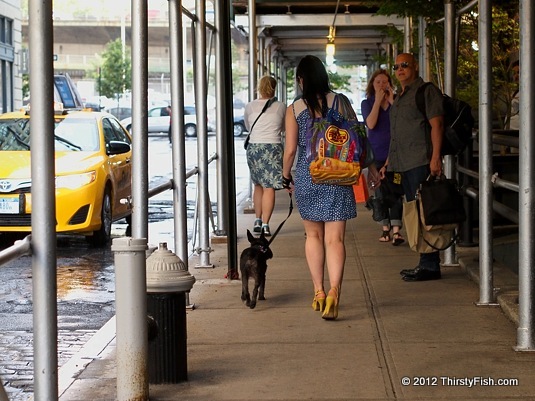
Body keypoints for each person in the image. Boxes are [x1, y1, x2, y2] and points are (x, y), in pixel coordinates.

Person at [282, 55, 380, 320]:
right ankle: (335, 291)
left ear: (301, 79)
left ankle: (319, 292)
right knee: (334, 239)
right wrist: (371, 169)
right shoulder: (341, 100)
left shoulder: (295, 109)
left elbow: (290, 150)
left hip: (307, 176)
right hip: (338, 175)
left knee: (313, 237)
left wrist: (285, 176)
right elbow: (359, 139)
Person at [383, 52, 444, 282]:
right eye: (396, 66)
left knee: (425, 212)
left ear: (415, 67)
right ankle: (424, 261)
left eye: (405, 65)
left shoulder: (426, 91)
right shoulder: (400, 96)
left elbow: (436, 125)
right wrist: (389, 162)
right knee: (414, 214)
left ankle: (430, 264)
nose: (400, 69)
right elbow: (397, 134)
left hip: (420, 161)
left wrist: (435, 157)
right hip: (403, 164)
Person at [361, 69, 404, 246]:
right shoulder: (367, 103)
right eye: (377, 82)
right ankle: (384, 228)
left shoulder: (396, 102)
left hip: (395, 153)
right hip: (376, 154)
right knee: (379, 191)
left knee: (395, 190)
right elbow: (370, 124)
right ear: (372, 84)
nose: (381, 85)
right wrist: (378, 102)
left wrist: (392, 101)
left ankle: (396, 230)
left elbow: (403, 121)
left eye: (384, 81)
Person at [244, 75, 287, 236]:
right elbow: (283, 128)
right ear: (274, 88)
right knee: (270, 188)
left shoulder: (250, 106)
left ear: (258, 87)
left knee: (258, 185)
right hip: (273, 147)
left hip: (254, 148)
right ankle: (266, 224)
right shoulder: (281, 107)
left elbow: (248, 127)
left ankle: (257, 220)